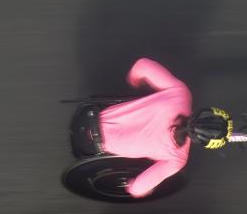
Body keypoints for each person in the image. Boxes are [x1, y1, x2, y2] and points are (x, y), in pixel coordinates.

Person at [97, 58, 232, 198]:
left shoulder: (182, 94)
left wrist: (134, 81)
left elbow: (142, 65)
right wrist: (136, 190)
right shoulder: (178, 159)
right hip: (100, 144)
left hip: (99, 115)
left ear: (206, 111)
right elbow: (137, 188)